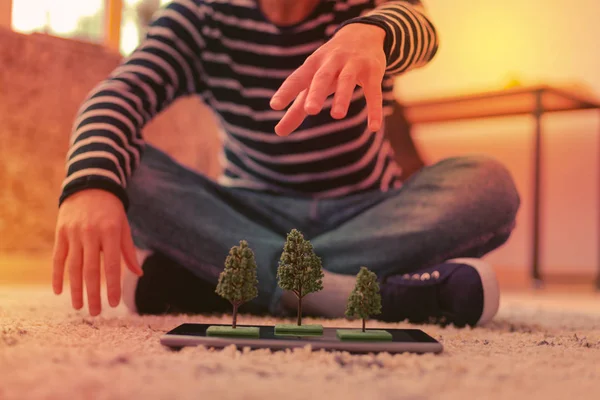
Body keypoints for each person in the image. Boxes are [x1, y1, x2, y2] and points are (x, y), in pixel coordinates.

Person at [52, 0, 520, 327]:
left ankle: (228, 280)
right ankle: (357, 293)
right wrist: (89, 187)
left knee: (487, 184)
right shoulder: (199, 18)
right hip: (246, 215)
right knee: (118, 168)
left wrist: (373, 31)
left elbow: (422, 30)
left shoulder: (369, 9)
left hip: (365, 214)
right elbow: (118, 95)